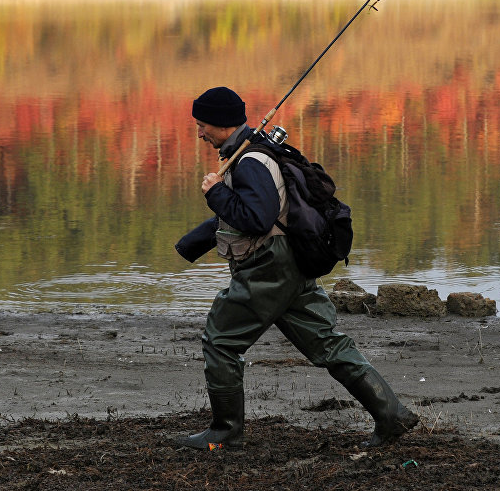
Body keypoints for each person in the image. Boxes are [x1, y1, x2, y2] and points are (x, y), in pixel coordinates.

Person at [173, 86, 419, 451]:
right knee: (328, 345)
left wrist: (215, 192)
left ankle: (225, 431)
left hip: (267, 268)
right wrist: (189, 245)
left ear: (223, 124)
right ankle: (391, 416)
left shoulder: (251, 161)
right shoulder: (251, 153)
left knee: (220, 341)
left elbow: (257, 219)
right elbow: (249, 217)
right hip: (290, 265)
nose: (200, 133)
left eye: (203, 125)